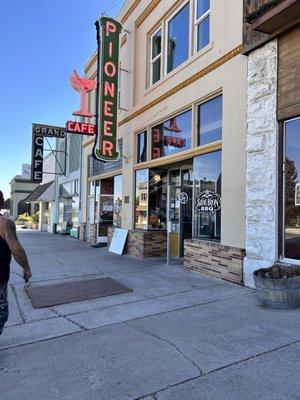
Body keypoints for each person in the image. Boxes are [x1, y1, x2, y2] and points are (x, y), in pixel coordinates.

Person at [0, 191, 32, 335]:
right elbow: (17, 250)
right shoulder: (5, 224)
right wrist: (26, 268)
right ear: (2, 204)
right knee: (1, 313)